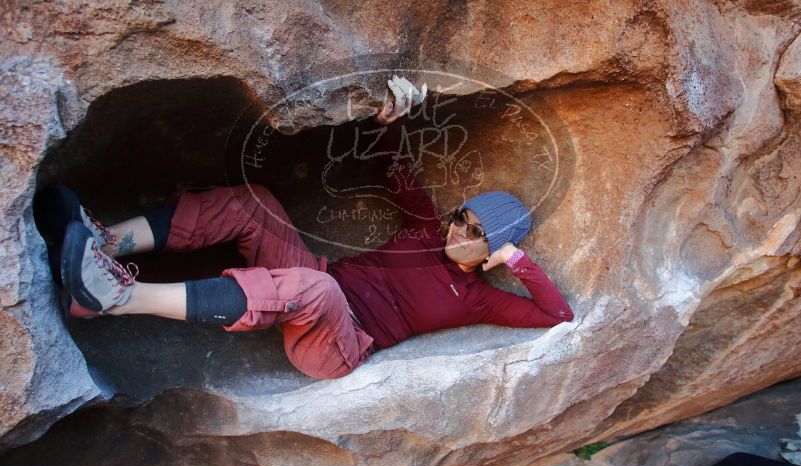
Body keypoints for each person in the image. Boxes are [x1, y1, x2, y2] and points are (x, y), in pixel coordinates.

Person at [34, 76, 574, 381]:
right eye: (463, 215)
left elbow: (557, 315)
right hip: (309, 279)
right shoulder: (424, 230)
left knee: (317, 287)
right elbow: (395, 166)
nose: (459, 229)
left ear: (491, 251)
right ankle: (101, 245)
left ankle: (114, 295)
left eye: (476, 231)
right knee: (256, 202)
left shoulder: (480, 299)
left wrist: (518, 264)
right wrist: (388, 122)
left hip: (338, 345)